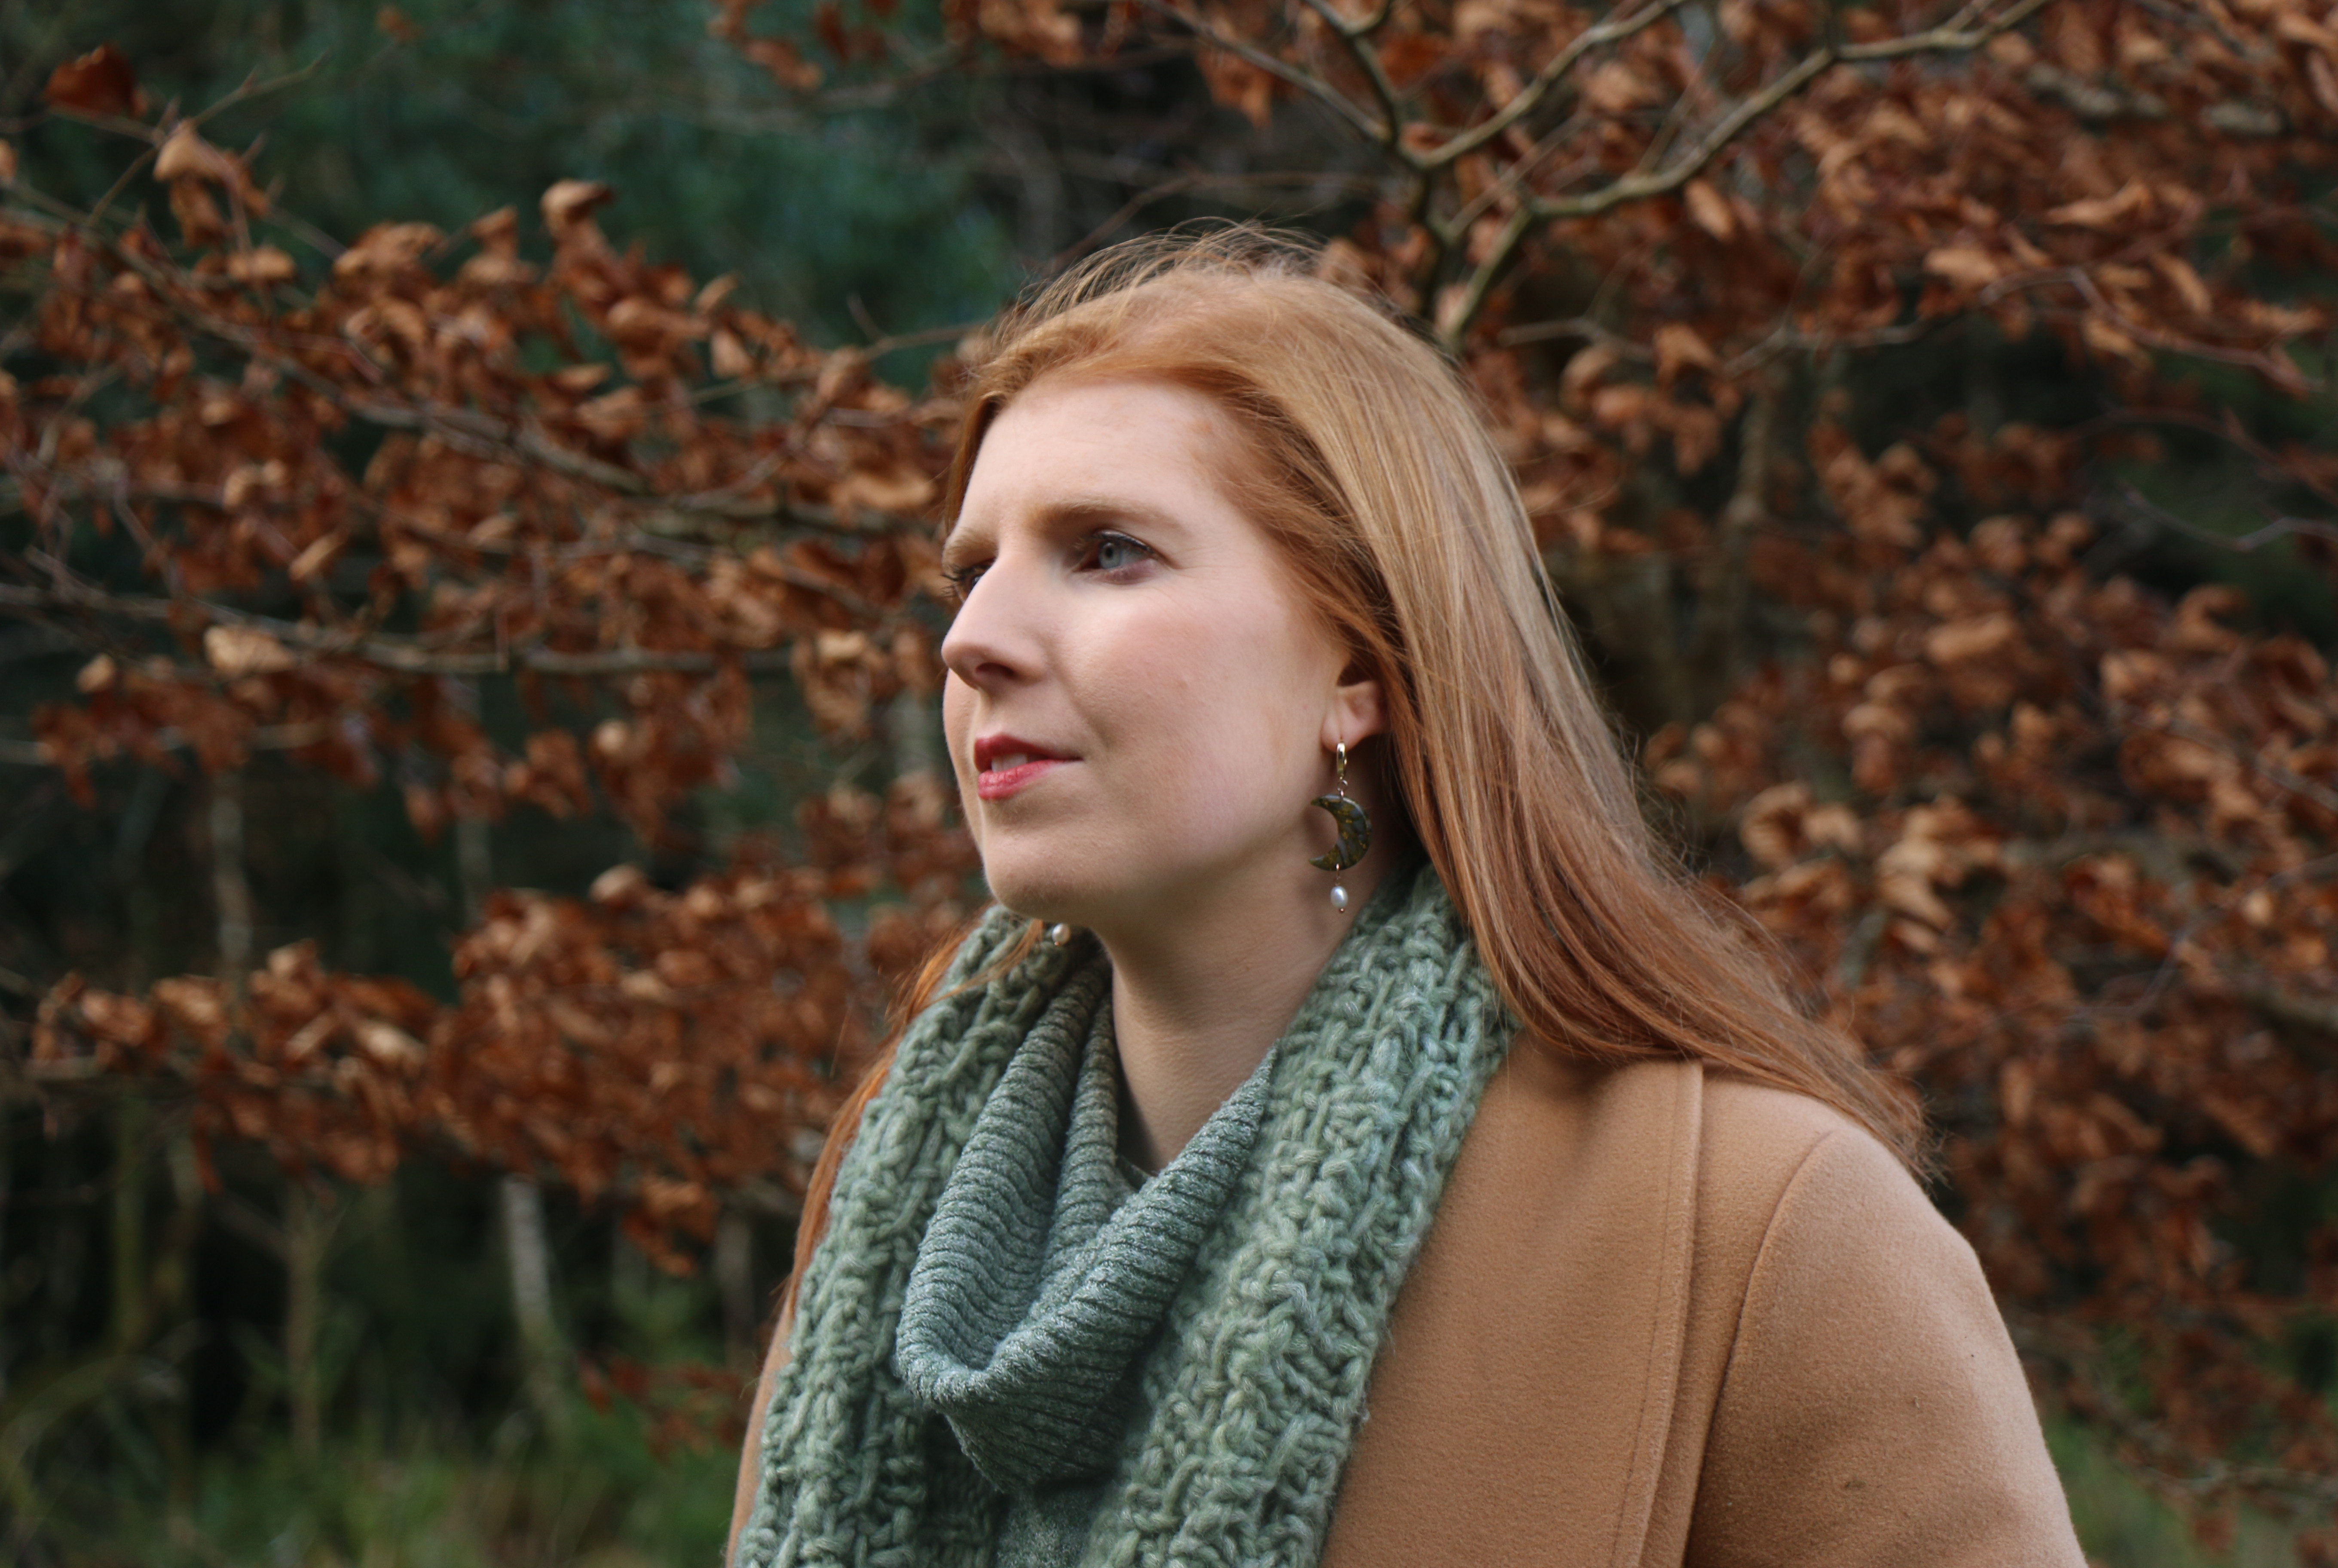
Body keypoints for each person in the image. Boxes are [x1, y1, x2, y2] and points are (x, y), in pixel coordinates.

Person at [729, 230, 2084, 1568]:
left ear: (1358, 671)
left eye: (1107, 551)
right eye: (972, 571)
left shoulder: (1751, 1227)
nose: (971, 639)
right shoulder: (902, 1212)